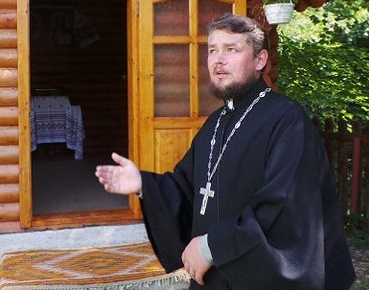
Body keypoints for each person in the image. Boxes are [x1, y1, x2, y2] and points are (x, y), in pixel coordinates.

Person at [95, 14, 355, 289]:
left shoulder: (287, 120)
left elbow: (283, 207)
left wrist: (210, 247)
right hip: (217, 276)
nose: (218, 59)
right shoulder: (215, 123)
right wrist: (144, 184)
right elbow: (187, 189)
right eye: (212, 50)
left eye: (231, 49)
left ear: (260, 60)